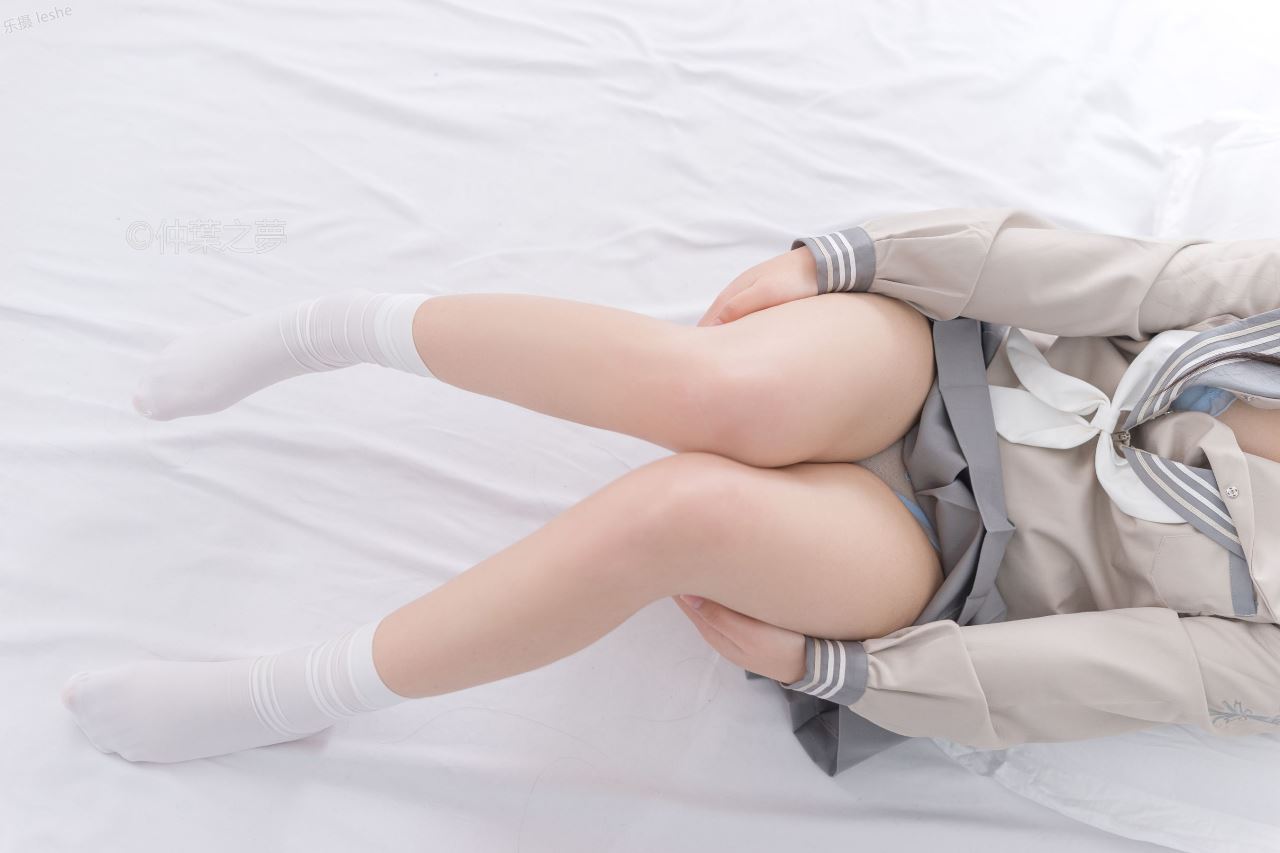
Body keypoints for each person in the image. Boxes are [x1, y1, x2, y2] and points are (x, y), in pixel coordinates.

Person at [60, 207, 1280, 774]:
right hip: (953, 370)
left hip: (956, 560)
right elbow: (1122, 277)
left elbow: (1127, 673)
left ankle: (296, 695)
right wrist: (858, 259)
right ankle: (327, 329)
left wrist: (855, 676)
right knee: (719, 392)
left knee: (678, 514)